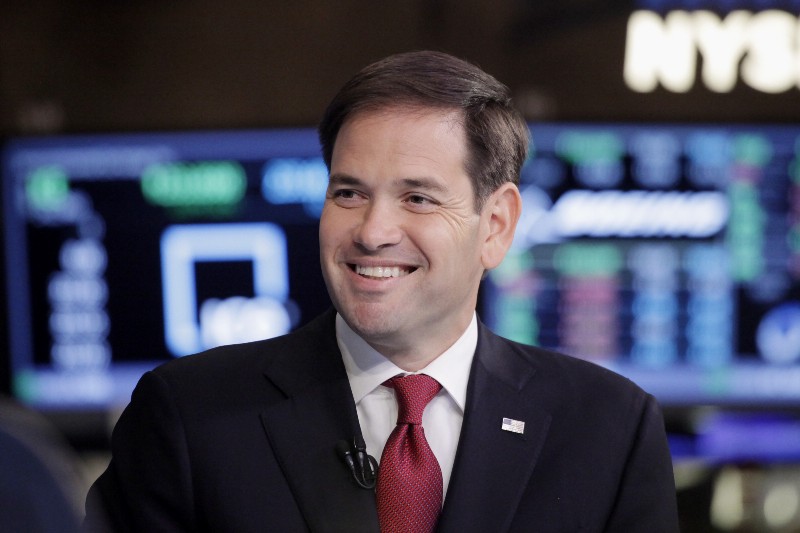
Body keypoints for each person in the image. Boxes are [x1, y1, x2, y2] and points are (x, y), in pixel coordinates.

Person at [84, 50, 679, 532]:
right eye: (348, 193)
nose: (371, 232)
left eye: (417, 198)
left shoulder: (610, 429)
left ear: (495, 225)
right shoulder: (188, 416)